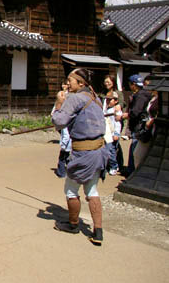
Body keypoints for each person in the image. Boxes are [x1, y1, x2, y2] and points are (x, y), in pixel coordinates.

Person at [52, 68, 109, 246]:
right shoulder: (96, 98)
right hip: (99, 151)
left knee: (70, 190)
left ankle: (73, 224)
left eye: (71, 80)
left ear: (81, 83)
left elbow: (59, 122)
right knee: (92, 191)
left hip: (82, 153)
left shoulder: (75, 98)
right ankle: (97, 231)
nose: (68, 83)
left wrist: (59, 103)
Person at [122, 74, 152, 176]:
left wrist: (127, 115)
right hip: (141, 125)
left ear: (133, 84)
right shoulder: (145, 94)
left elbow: (136, 111)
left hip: (139, 125)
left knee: (135, 149)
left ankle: (132, 171)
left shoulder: (140, 95)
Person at [53, 81, 71, 178]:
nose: (65, 85)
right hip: (67, 135)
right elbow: (55, 114)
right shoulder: (61, 97)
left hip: (69, 141)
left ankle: (63, 172)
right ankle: (63, 172)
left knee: (65, 156)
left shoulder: (72, 97)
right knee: (66, 156)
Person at [104, 91, 123, 175]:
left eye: (110, 100)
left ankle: (114, 166)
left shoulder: (116, 109)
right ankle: (108, 166)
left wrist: (116, 133)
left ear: (115, 101)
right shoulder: (106, 109)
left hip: (113, 134)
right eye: (107, 100)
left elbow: (118, 123)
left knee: (111, 151)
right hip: (106, 133)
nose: (108, 101)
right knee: (107, 151)